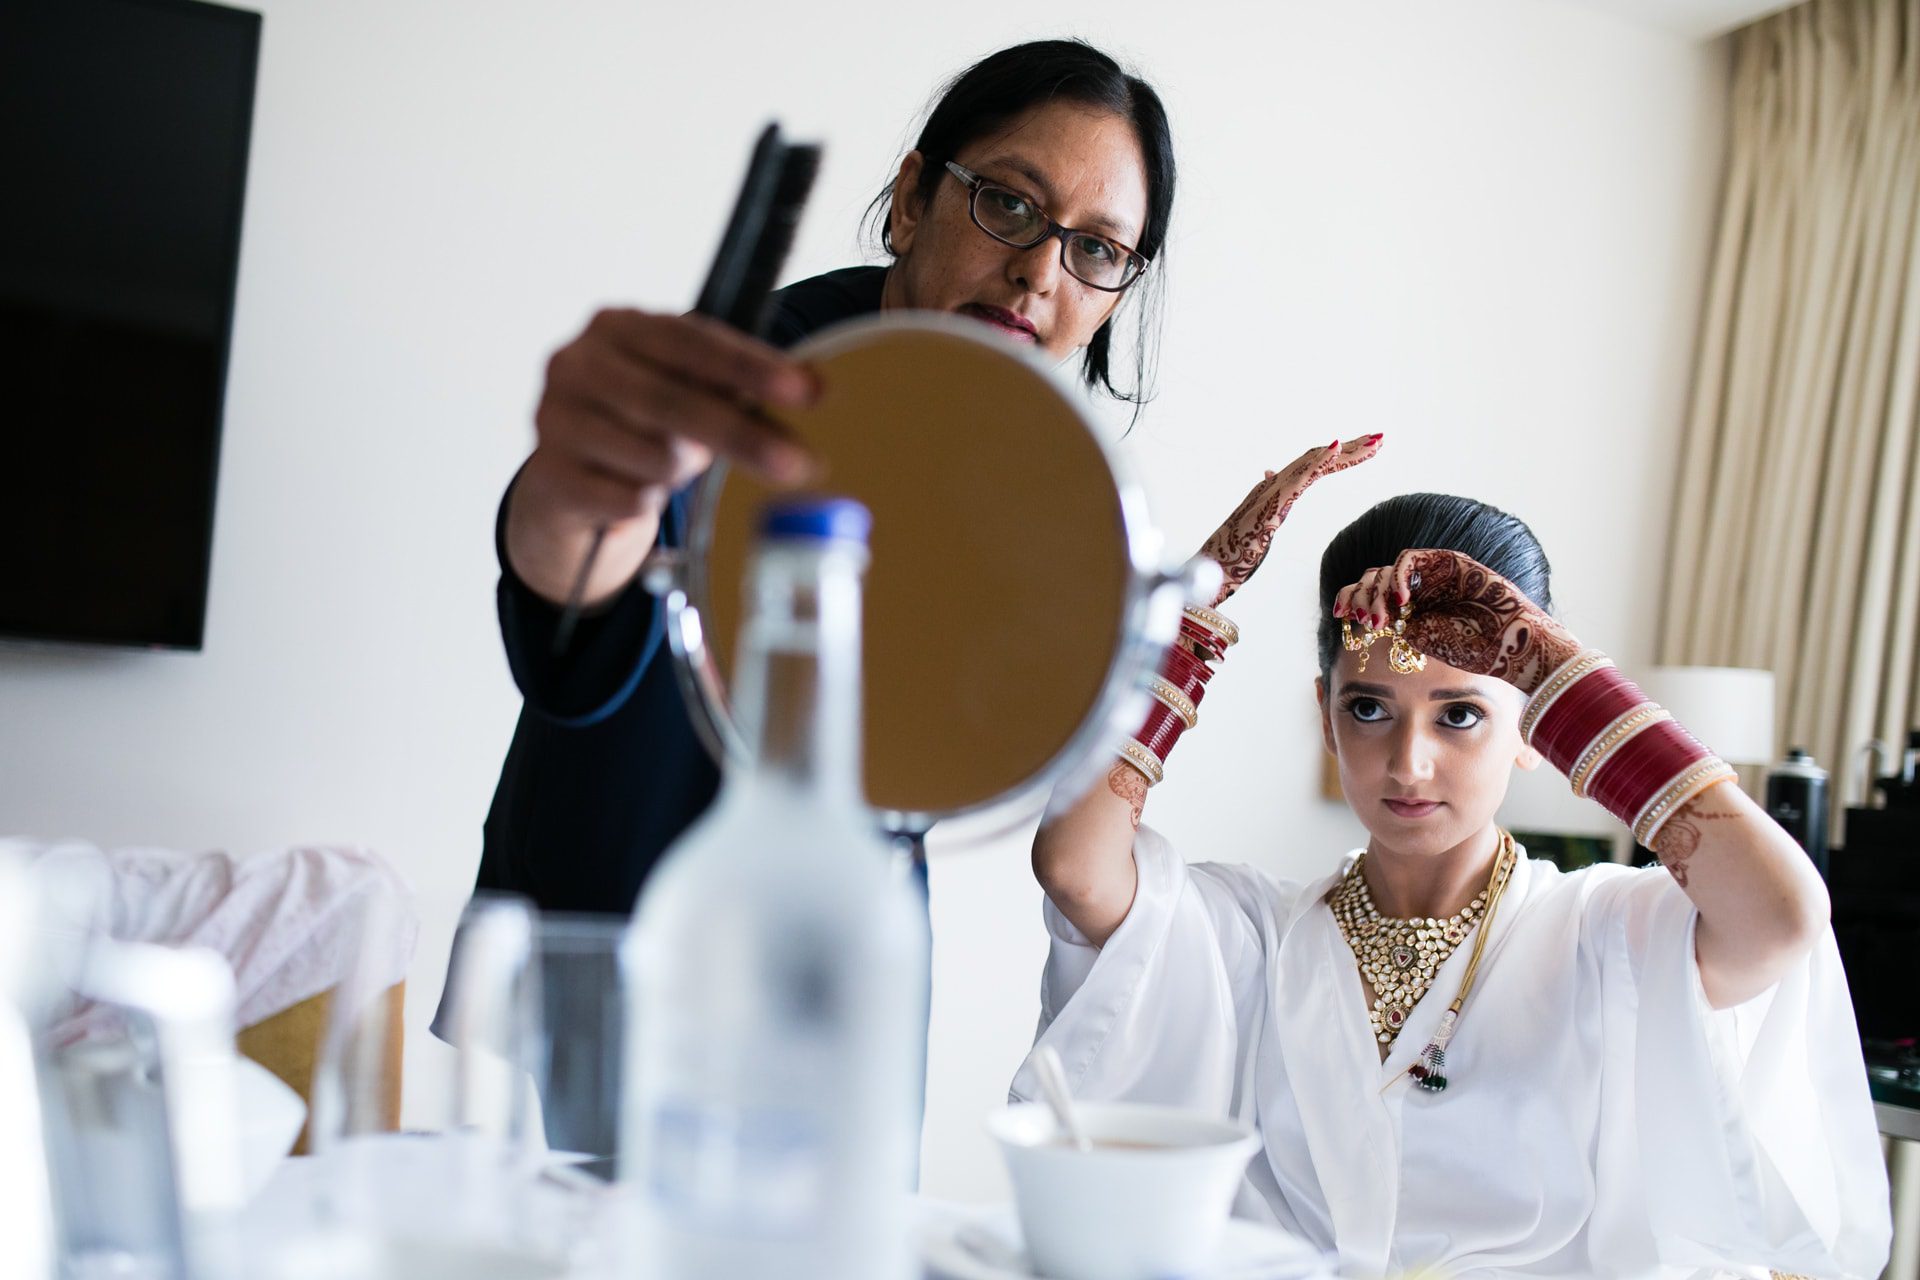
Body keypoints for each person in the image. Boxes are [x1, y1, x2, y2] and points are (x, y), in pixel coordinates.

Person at [1019, 476, 1892, 1278]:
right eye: (1368, 708)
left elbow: (1781, 916)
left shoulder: (1604, 934)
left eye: (1461, 714)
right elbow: (1074, 868)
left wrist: (1547, 663)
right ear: (1325, 720)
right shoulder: (1251, 934)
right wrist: (1186, 610)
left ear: (1533, 733)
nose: (1409, 762)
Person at [468, 38, 1177, 916]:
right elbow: (579, 593)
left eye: (1100, 251)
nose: (1039, 270)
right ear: (914, 200)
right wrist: (577, 498)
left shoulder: (1030, 476)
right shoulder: (747, 381)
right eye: (1007, 202)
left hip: (844, 964)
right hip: (608, 963)